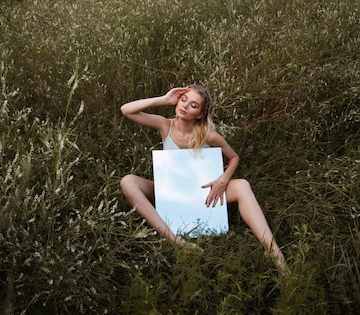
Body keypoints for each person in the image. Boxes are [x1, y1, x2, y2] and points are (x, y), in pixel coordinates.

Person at [120, 84, 288, 274]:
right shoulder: (165, 125)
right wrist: (165, 99)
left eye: (193, 105)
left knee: (242, 185)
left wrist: (223, 179)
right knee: (128, 181)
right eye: (183, 100)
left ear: (200, 114)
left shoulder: (209, 135)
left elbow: (234, 157)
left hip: (203, 192)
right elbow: (126, 110)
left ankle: (274, 252)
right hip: (172, 191)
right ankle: (175, 240)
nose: (185, 106)